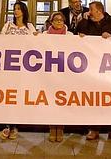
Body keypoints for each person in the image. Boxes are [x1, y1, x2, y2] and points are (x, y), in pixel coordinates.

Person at [77, 1, 111, 142]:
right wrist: (83, 28)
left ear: (99, 11)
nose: (89, 12)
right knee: (94, 99)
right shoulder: (85, 23)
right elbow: (77, 36)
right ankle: (94, 129)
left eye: (91, 10)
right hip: (92, 68)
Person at [0, 1, 37, 140]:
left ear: (24, 11)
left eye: (19, 9)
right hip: (8, 66)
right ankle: (6, 125)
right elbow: (0, 42)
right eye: (14, 9)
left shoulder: (30, 26)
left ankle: (15, 127)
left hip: (23, 67)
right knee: (7, 96)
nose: (16, 11)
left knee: (18, 96)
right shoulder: (7, 25)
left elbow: (36, 43)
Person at [42, 12, 73, 142]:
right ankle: (51, 128)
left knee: (61, 101)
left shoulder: (70, 35)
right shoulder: (44, 35)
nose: (59, 22)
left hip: (64, 73)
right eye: (56, 20)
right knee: (50, 101)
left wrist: (82, 38)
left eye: (61, 20)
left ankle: (60, 128)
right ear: (51, 21)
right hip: (49, 72)